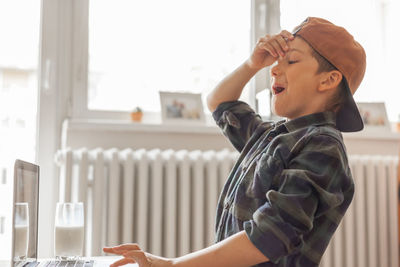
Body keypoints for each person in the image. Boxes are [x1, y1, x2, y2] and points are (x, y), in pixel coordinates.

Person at [103, 17, 366, 267]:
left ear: (329, 79)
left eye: (292, 61)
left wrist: (173, 264)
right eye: (277, 61)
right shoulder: (270, 135)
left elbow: (271, 235)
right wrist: (252, 64)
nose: (274, 69)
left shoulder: (322, 145)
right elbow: (219, 103)